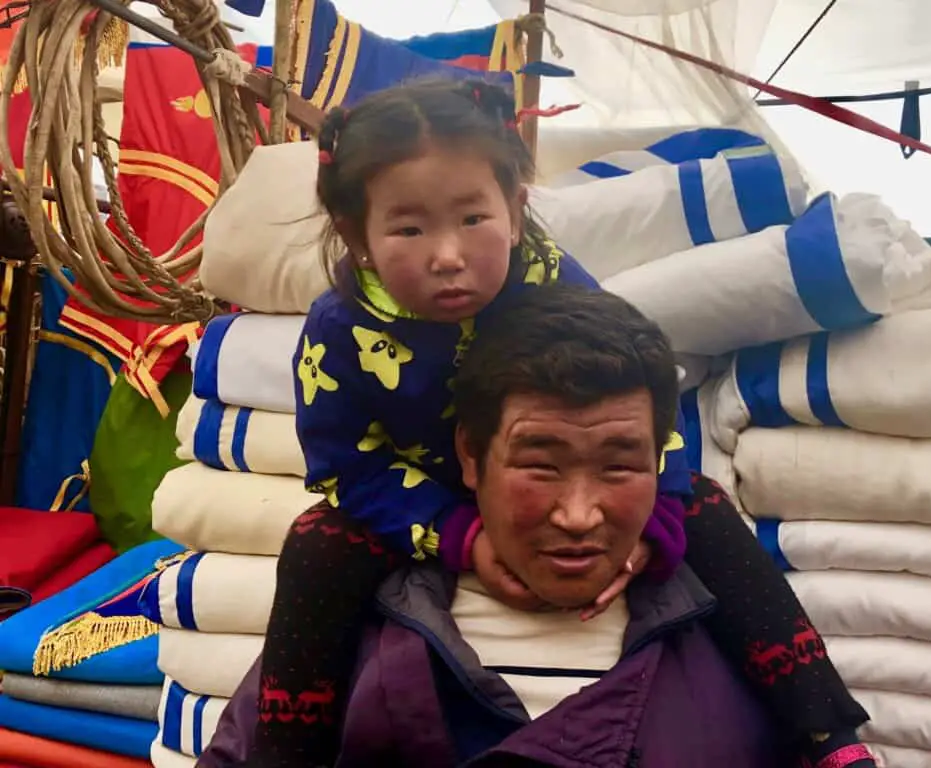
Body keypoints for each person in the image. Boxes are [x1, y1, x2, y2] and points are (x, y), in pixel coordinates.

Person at [250, 77, 871, 767]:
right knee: (315, 545)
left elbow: (632, 407)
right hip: (415, 500)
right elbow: (345, 464)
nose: (448, 254)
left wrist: (646, 525)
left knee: (708, 512)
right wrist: (457, 534)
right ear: (355, 235)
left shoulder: (551, 278)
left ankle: (827, 735)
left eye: (473, 218)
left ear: (515, 210)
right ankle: (283, 751)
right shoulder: (340, 331)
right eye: (409, 227)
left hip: (554, 477)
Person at [203, 284, 874, 768]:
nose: (578, 515)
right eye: (540, 465)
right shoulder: (343, 632)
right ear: (469, 454)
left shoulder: (739, 643)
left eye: (619, 467)